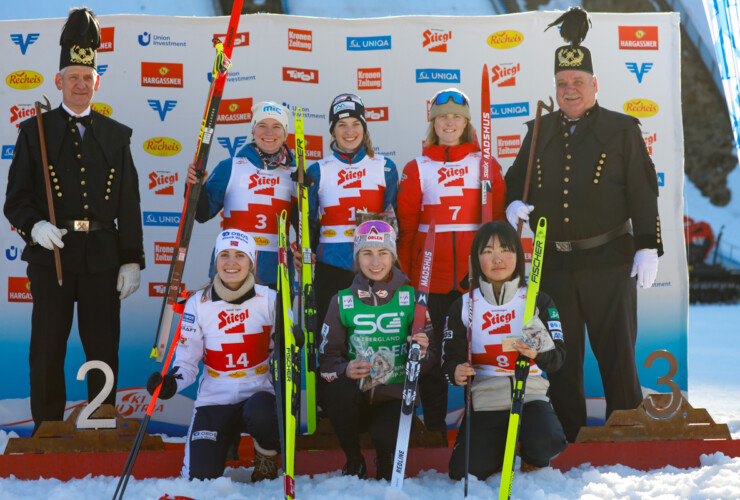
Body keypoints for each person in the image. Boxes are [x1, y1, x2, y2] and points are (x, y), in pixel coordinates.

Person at [504, 7, 663, 442]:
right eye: (561, 84)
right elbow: (514, 182)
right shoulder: (538, 130)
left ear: (594, 85)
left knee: (616, 355)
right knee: (561, 357)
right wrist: (511, 205)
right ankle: (566, 437)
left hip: (610, 261)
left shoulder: (621, 129)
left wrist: (648, 245)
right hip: (553, 266)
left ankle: (629, 431)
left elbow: (643, 191)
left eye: (577, 82)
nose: (569, 90)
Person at [3, 7, 144, 433]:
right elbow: (15, 199)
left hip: (102, 258)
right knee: (47, 347)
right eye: (73, 78)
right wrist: (35, 227)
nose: (80, 85)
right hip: (53, 259)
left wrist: (131, 259)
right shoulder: (35, 132)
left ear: (96, 83)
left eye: (87, 78)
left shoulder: (117, 136)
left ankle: (100, 418)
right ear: (58, 81)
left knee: (103, 346)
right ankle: (47, 426)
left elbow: (129, 203)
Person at [397, 88, 505, 437]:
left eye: (456, 116)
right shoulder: (418, 167)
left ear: (467, 122)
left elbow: (499, 224)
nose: (449, 122)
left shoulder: (484, 165)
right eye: (442, 117)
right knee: (431, 357)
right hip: (430, 278)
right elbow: (407, 230)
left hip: (476, 279)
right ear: (433, 122)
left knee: (478, 352)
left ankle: (484, 428)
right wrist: (408, 280)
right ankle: (433, 430)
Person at [146, 229, 281, 481]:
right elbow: (186, 363)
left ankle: (266, 456)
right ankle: (220, 440)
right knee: (200, 478)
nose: (231, 262)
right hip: (215, 397)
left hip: (258, 392)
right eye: (225, 255)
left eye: (240, 255)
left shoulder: (271, 300)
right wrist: (170, 383)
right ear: (215, 260)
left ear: (252, 262)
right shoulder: (198, 303)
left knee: (263, 412)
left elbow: (287, 356)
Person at [442, 221, 567, 479]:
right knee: (464, 472)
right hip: (486, 401)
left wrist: (537, 353)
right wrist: (455, 371)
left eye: (506, 250)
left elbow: (558, 359)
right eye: (488, 251)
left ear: (518, 256)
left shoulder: (537, 300)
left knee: (549, 439)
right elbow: (449, 357)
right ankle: (496, 452)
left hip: (530, 397)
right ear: (477, 259)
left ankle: (532, 458)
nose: (497, 259)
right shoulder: (464, 305)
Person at [318, 219, 431, 480]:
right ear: (357, 258)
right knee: (336, 390)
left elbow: (434, 355)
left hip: (395, 396)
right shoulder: (342, 300)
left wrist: (421, 353)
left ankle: (386, 455)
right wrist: (345, 368)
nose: (375, 262)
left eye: (382, 253)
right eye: (367, 253)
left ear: (393, 257)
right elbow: (326, 359)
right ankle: (354, 459)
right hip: (356, 398)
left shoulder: (412, 298)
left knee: (384, 433)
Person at [302, 93, 398, 330]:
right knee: (330, 337)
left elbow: (395, 223)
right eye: (341, 125)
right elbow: (308, 223)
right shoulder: (317, 170)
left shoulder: (385, 168)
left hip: (375, 266)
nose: (349, 131)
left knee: (373, 334)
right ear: (333, 130)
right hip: (331, 266)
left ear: (364, 128)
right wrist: (302, 254)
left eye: (356, 124)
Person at [187, 101, 296, 287]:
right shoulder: (231, 167)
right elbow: (201, 214)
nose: (269, 133)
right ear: (253, 131)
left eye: (276, 127)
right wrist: (196, 186)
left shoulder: (294, 174)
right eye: (262, 126)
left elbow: (306, 226)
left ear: (285, 133)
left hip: (277, 273)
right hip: (232, 271)